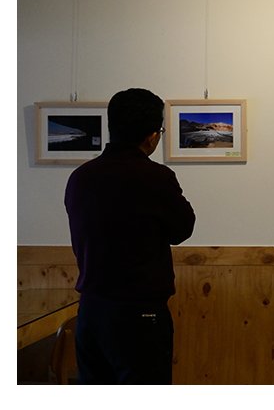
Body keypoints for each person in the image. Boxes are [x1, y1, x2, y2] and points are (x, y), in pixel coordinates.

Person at [64, 88, 196, 384]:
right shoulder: (156, 177)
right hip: (140, 314)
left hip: (91, 312)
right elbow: (182, 229)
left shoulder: (80, 177)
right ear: (152, 136)